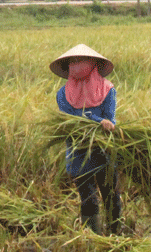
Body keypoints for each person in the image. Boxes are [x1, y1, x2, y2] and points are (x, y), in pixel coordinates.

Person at [49, 44, 121, 235]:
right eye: (73, 62)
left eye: (81, 61)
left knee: (111, 196)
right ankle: (92, 238)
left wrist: (107, 123)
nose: (76, 65)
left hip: (103, 150)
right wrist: (99, 121)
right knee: (88, 198)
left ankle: (115, 235)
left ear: (92, 64)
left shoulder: (107, 90)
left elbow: (110, 118)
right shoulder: (63, 94)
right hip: (78, 151)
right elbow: (73, 119)